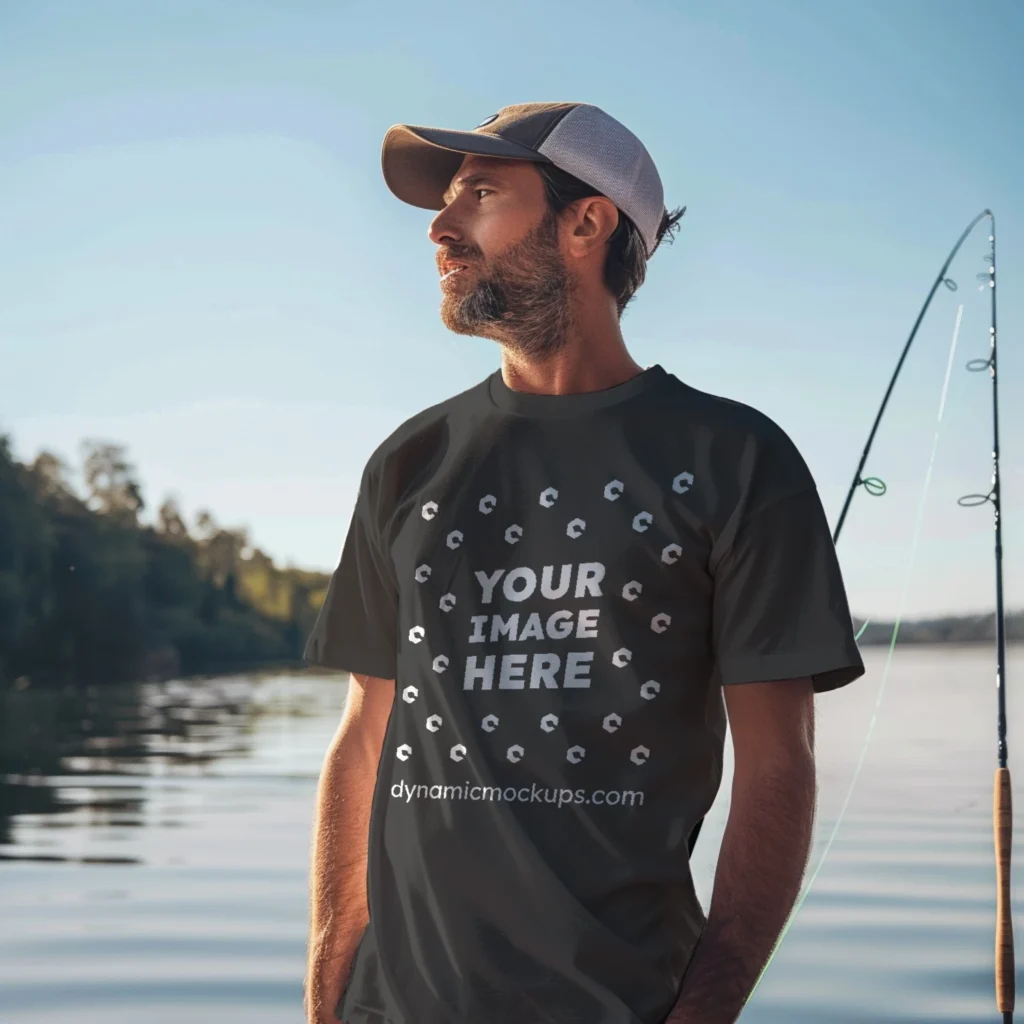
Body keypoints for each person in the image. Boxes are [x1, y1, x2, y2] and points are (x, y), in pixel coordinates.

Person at [303, 101, 865, 1024]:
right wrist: (328, 992)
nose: (441, 227)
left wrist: (705, 1010)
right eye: (446, 202)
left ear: (586, 222)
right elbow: (366, 736)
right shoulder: (408, 462)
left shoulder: (735, 459)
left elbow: (779, 766)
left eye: (480, 194)